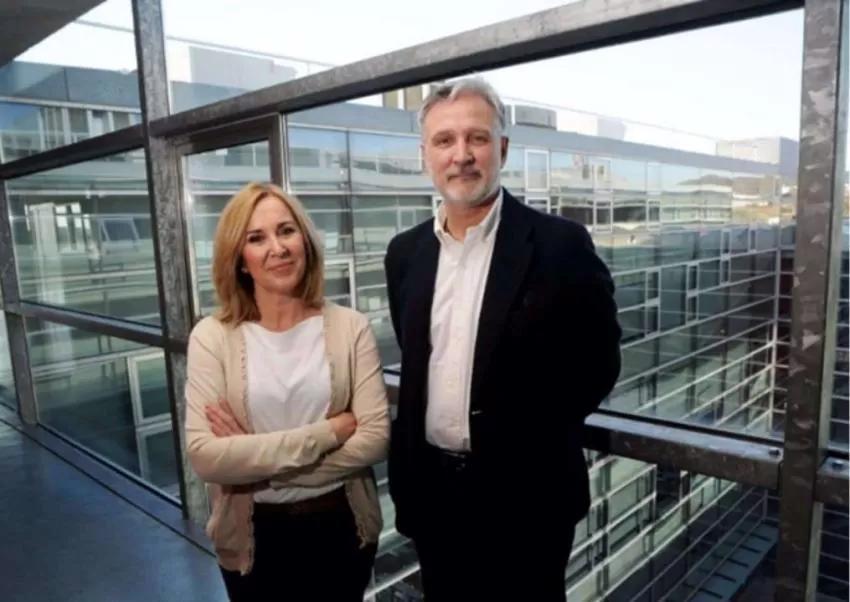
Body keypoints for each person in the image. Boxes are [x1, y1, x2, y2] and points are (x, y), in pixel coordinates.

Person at [384, 79, 621, 601]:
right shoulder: (404, 253)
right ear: (425, 156)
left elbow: (599, 365)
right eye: (444, 140)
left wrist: (524, 438)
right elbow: (417, 360)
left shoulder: (560, 245)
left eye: (477, 137)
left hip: (528, 502)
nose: (461, 155)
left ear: (503, 149)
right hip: (434, 498)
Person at [184, 182, 390, 601]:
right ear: (239, 260)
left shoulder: (350, 327)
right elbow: (206, 456)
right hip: (252, 535)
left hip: (342, 526)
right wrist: (328, 433)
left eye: (286, 231)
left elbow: (374, 439)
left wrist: (252, 464)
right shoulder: (212, 336)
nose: (277, 248)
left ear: (305, 242)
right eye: (256, 238)